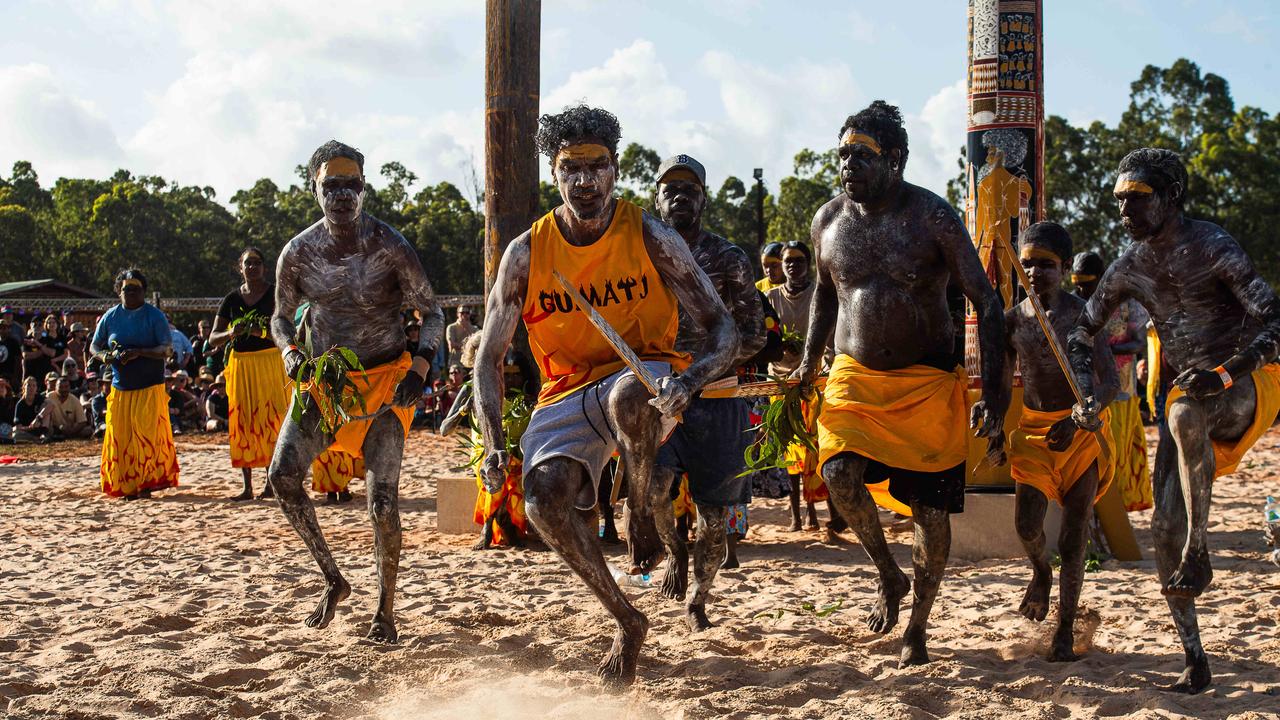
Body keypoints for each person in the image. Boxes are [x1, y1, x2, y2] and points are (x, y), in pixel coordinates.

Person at [473, 105, 737, 685]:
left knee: (629, 400)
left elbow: (724, 330)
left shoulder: (650, 235)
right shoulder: (526, 252)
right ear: (554, 173)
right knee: (541, 502)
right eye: (572, 168)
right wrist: (494, 444)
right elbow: (487, 361)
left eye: (598, 167)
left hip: (643, 379)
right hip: (565, 393)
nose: (585, 181)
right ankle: (626, 617)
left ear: (616, 170)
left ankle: (639, 510)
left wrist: (687, 383)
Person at [799, 101, 1008, 667]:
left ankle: (918, 622)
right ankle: (888, 573)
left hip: (926, 385)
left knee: (929, 513)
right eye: (842, 154)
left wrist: (995, 394)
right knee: (838, 474)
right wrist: (807, 362)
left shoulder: (932, 217)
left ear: (896, 159)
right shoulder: (827, 221)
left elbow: (987, 303)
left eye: (861, 156)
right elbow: (823, 294)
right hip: (854, 381)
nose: (848, 165)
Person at [1068, 148, 1280, 694]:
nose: (1124, 210)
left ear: (1170, 196)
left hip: (1242, 389)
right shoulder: (1128, 267)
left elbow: (1275, 324)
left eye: (1136, 198)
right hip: (1186, 407)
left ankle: (1201, 546)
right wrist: (1083, 393)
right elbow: (1078, 334)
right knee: (1162, 528)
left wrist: (1229, 374)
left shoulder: (1214, 246)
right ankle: (1194, 657)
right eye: (1118, 200)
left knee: (1184, 403)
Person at [267, 140, 444, 644]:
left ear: (364, 189)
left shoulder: (390, 246)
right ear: (315, 190)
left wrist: (423, 366)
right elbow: (280, 317)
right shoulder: (298, 253)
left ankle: (384, 610)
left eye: (352, 184)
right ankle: (332, 579)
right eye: (332, 185)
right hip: (324, 384)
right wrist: (288, 351)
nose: (343, 194)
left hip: (385, 384)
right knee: (282, 477)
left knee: (382, 504)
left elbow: (430, 312)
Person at [649, 153, 766, 630]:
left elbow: (754, 333)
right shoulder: (641, 253)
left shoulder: (729, 258)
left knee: (715, 515)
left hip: (718, 399)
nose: (679, 196)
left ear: (703, 198)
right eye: (670, 189)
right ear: (656, 198)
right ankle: (674, 550)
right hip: (655, 397)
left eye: (689, 189)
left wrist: (704, 369)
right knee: (653, 490)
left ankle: (699, 600)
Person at [997, 223, 1119, 661]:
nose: (1033, 271)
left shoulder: (1086, 316)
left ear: (1064, 269)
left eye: (1045, 265)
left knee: (1072, 537)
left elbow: (1109, 384)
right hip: (1033, 433)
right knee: (1027, 527)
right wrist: (990, 416)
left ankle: (1064, 629)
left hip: (1080, 434)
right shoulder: (1012, 320)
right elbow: (999, 383)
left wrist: (1079, 415)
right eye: (1027, 263)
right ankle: (1039, 573)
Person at [767, 241, 839, 532]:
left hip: (816, 379)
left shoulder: (821, 296)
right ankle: (798, 513)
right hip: (781, 382)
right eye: (788, 261)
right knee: (791, 450)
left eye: (799, 260)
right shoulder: (770, 298)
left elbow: (831, 335)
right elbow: (763, 338)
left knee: (820, 447)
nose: (793, 266)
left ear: (808, 263)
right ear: (782, 266)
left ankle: (827, 510)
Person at [1072, 251, 1152, 512]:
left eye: (1086, 283)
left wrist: (1103, 348)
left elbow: (1140, 342)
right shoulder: (1073, 304)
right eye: (1077, 283)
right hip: (1083, 394)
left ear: (1101, 279)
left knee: (1116, 453)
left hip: (1120, 393)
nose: (1081, 289)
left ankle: (1115, 513)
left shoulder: (1125, 304)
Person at [91, 269, 180, 499]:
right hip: (121, 388)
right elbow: (94, 347)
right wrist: (108, 357)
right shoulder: (110, 317)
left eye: (135, 289)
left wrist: (139, 352)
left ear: (143, 291)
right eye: (125, 289)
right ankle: (127, 485)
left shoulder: (155, 316)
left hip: (150, 387)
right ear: (119, 291)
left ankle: (146, 484)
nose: (130, 293)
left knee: (146, 437)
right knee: (123, 437)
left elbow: (166, 349)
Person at [209, 247, 290, 500]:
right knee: (243, 421)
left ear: (264, 267)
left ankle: (270, 482)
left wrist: (261, 333)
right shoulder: (232, 299)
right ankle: (247, 486)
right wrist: (232, 333)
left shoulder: (275, 294)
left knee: (271, 419)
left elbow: (288, 328)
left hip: (269, 361)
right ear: (240, 268)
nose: (252, 267)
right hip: (241, 365)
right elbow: (213, 338)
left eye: (256, 262)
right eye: (248, 263)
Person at [42, 375, 93, 440]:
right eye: (61, 387)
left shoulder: (75, 400)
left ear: (69, 387)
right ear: (55, 387)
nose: (63, 389)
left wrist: (72, 430)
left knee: (88, 430)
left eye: (66, 387)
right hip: (54, 428)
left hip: (71, 429)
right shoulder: (49, 397)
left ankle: (65, 436)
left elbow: (82, 421)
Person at [12, 376, 47, 443]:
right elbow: (18, 426)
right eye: (29, 385)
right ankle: (35, 439)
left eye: (34, 386)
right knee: (15, 434)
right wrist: (31, 427)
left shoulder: (39, 398)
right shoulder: (20, 404)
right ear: (24, 387)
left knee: (46, 409)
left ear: (36, 388)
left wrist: (38, 418)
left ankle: (44, 435)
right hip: (27, 430)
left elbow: (51, 405)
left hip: (40, 426)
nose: (31, 388)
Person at [445, 305, 479, 370]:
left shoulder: (474, 328)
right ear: (458, 314)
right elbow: (451, 344)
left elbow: (478, 345)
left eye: (467, 313)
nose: (465, 315)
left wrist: (467, 328)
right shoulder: (451, 327)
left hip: (470, 363)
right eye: (462, 313)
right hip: (456, 363)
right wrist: (470, 346)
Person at [0, 316, 21, 388]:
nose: (2, 330)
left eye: (4, 328)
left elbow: (18, 359)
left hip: (10, 376)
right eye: (0, 328)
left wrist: (15, 377)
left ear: (8, 329)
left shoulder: (13, 342)